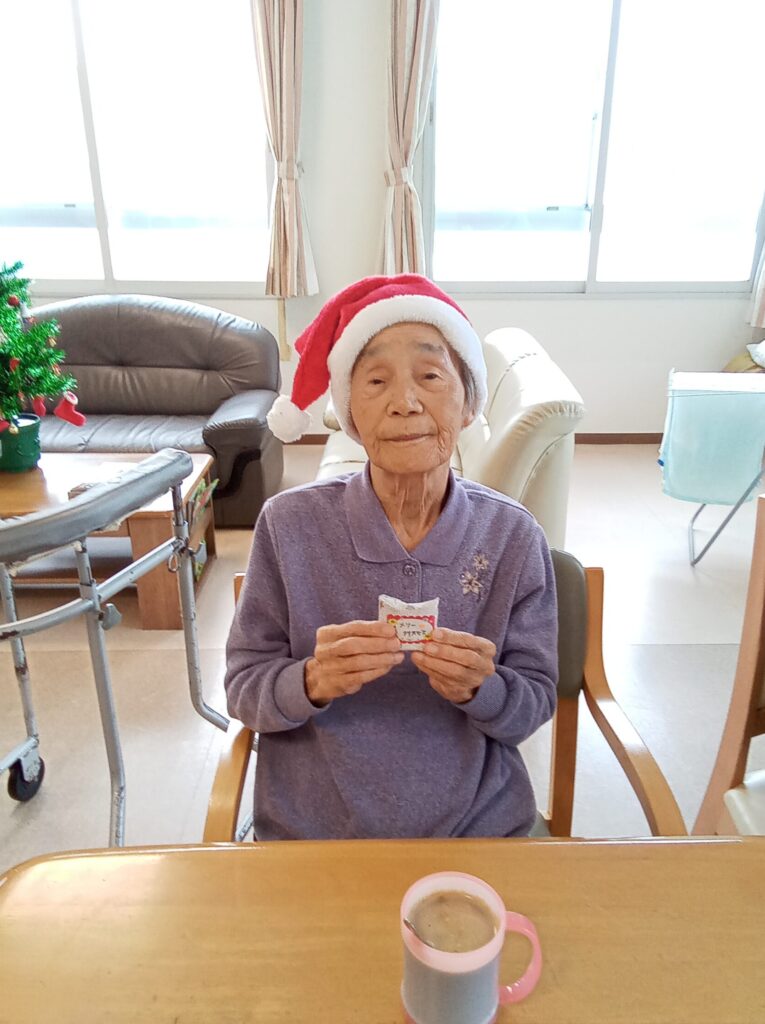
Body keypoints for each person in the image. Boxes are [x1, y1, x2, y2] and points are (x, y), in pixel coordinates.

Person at [225, 274, 557, 840]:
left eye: (431, 376)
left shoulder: (513, 536)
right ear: (349, 412)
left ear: (468, 402)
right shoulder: (289, 526)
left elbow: (534, 701)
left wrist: (483, 687)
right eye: (376, 381)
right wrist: (312, 680)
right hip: (314, 835)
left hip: (477, 830)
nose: (405, 403)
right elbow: (243, 688)